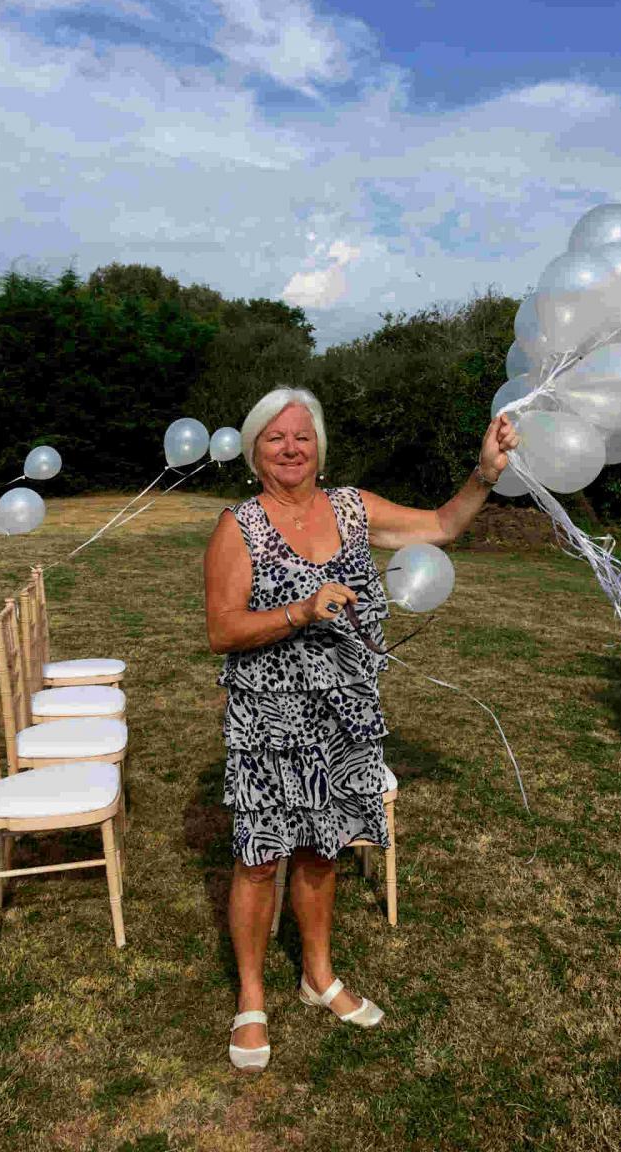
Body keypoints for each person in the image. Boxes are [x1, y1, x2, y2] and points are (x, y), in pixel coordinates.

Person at [204, 386, 520, 1071]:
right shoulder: (241, 526)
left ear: (319, 446)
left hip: (345, 717)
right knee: (259, 860)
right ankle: (251, 999)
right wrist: (299, 611)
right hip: (269, 723)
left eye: (302, 437)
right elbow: (222, 630)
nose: (290, 448)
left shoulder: (354, 508)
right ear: (255, 451)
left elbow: (442, 524)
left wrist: (485, 473)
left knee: (323, 851)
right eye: (274, 438)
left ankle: (319, 978)